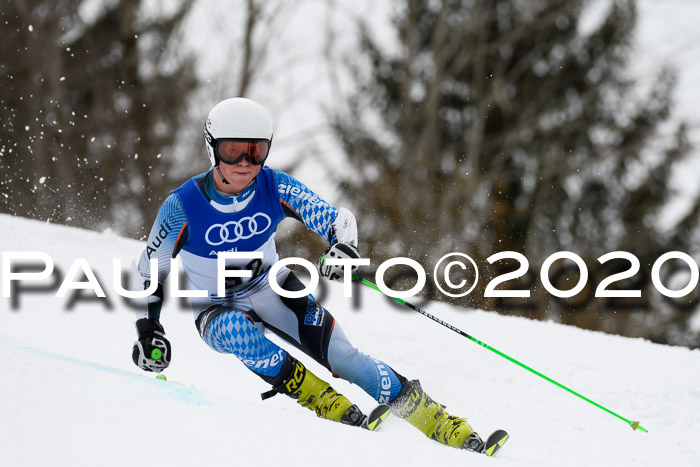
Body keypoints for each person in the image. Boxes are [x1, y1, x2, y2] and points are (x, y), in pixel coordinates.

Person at [131, 97, 485, 451]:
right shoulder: (182, 206)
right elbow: (150, 269)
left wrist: (343, 246)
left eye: (256, 151)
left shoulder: (273, 186)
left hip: (273, 287)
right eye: (232, 151)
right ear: (212, 150)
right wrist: (149, 329)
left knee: (345, 358)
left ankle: (436, 419)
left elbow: (336, 218)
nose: (244, 162)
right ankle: (323, 400)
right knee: (239, 333)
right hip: (215, 307)